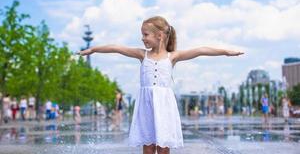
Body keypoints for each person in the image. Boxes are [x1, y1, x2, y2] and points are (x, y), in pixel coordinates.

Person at [78, 16, 243, 154]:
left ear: (160, 36)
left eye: (145, 34)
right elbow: (116, 48)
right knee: (148, 147)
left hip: (164, 105)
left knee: (163, 147)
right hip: (146, 105)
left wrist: (226, 52)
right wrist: (93, 49)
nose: (142, 38)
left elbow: (201, 50)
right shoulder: (142, 55)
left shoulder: (172, 57)